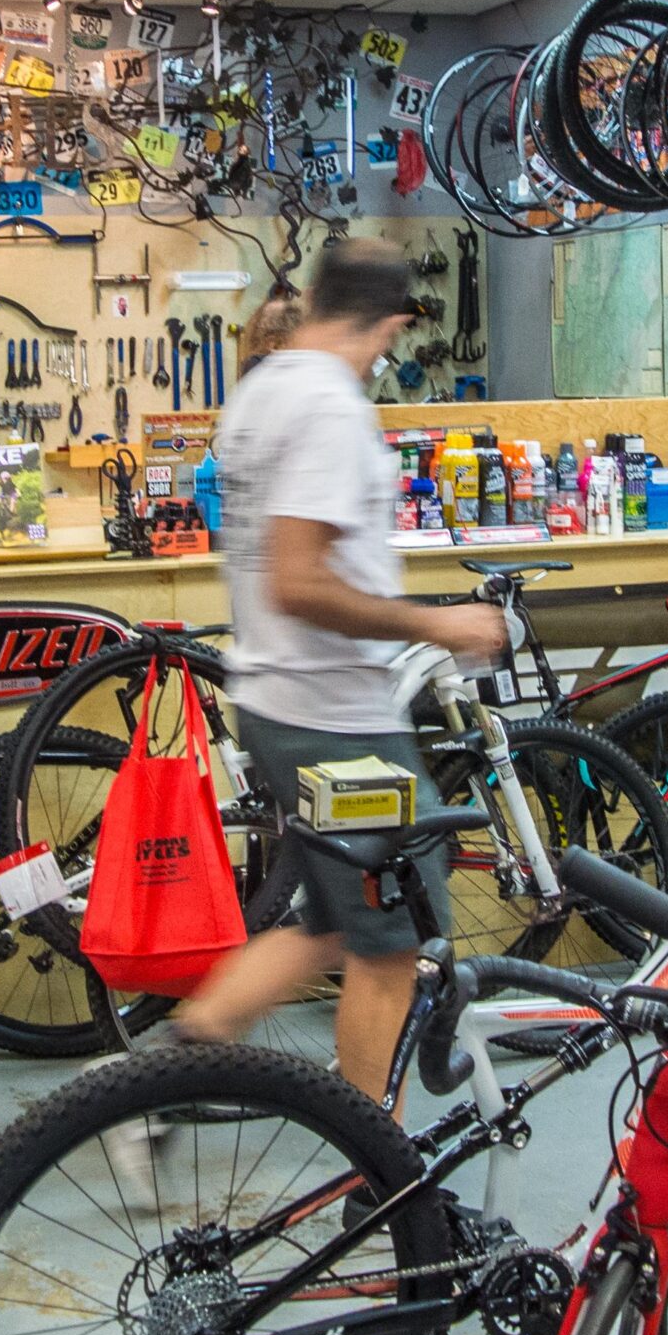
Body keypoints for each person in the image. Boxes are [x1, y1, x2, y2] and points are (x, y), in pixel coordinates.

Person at [175, 237, 505, 1102]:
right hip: (337, 723)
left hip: (281, 701)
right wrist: (439, 624)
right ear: (393, 323)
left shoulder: (263, 390)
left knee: (333, 919)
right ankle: (379, 1176)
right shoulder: (326, 407)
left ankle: (176, 1067)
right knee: (394, 944)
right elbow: (300, 581)